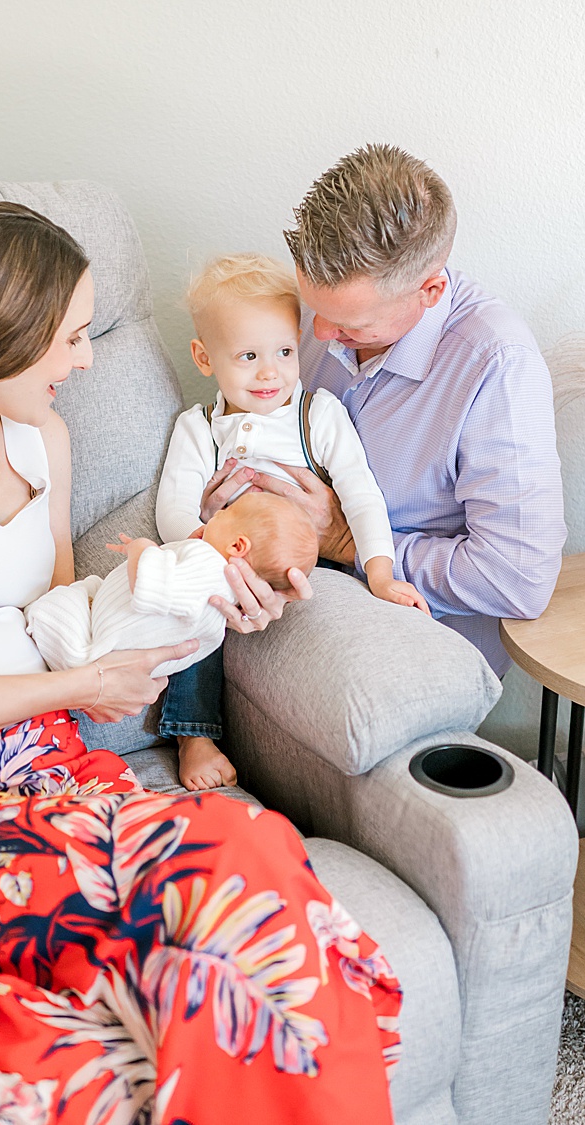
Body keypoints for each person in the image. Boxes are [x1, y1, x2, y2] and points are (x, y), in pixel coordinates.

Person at [0, 202, 402, 1123]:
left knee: (253, 866)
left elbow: (66, 622)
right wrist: (84, 686)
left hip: (39, 762)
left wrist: (202, 598)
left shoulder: (43, 441)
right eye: (69, 338)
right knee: (234, 853)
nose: (87, 360)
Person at [196, 145, 565, 674]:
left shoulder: (497, 368)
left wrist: (348, 541)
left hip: (410, 633)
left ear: (430, 290)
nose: (318, 335)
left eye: (350, 324)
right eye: (313, 309)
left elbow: (518, 579)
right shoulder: (321, 314)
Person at [152, 252, 425, 790]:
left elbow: (362, 495)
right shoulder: (199, 427)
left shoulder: (318, 414)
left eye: (282, 350)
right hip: (224, 561)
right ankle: (194, 734)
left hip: (310, 565)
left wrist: (379, 572)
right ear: (205, 358)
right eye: (248, 355)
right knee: (188, 611)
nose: (270, 371)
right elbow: (172, 509)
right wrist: (203, 546)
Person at [25, 492, 319, 699]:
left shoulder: (208, 562)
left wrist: (141, 548)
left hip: (94, 653)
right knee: (84, 592)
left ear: (238, 546)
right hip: (115, 658)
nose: (217, 514)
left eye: (227, 513)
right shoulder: (224, 599)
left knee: (52, 608)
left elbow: (148, 587)